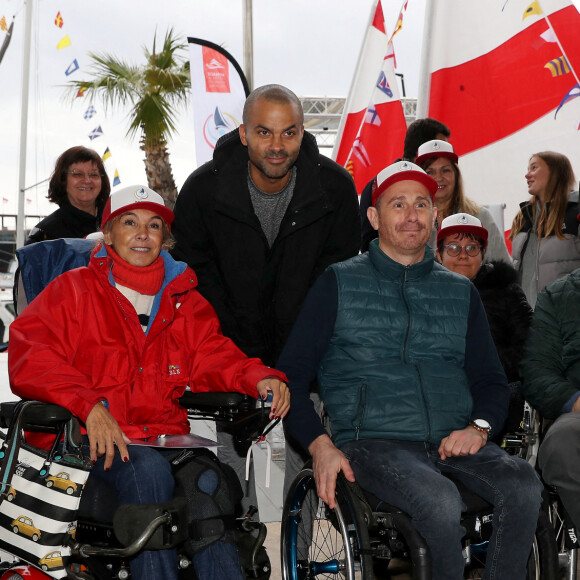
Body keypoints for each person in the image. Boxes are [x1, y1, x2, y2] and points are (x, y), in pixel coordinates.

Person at [277, 160, 543, 580]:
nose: (412, 214)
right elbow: (289, 375)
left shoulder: (460, 292)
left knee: (525, 483)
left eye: (421, 204)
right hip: (372, 443)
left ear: (435, 215)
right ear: (374, 217)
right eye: (397, 204)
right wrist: (319, 444)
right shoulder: (338, 283)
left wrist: (478, 427)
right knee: (438, 499)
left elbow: (491, 381)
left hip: (453, 439)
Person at [9, 185, 290, 580]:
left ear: (164, 237)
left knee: (211, 483)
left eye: (154, 225)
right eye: (130, 222)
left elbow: (214, 354)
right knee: (147, 473)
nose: (143, 233)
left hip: (163, 437)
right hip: (89, 443)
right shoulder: (72, 291)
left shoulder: (184, 299)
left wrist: (259, 376)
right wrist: (88, 405)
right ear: (108, 234)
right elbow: (31, 357)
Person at [171, 84, 360, 510]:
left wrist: (297, 360)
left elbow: (337, 281)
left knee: (308, 474)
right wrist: (241, 364)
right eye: (263, 132)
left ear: (303, 132)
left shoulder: (335, 188)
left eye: (289, 133)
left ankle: (304, 566)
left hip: (306, 356)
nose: (277, 146)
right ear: (243, 133)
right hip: (228, 357)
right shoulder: (202, 190)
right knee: (222, 479)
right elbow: (199, 284)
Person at [436, 213, 532, 385]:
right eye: (454, 248)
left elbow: (530, 350)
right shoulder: (423, 295)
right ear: (439, 255)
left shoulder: (507, 291)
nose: (463, 255)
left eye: (472, 248)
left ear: (483, 253)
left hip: (499, 391)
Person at [520, 270, 580, 532]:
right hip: (578, 412)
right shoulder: (558, 296)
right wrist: (575, 401)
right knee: (560, 444)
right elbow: (537, 371)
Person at [360, 117, 450, 252]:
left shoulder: (445, 186)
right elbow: (368, 243)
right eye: (398, 205)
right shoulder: (379, 186)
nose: (412, 217)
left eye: (420, 205)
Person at [416, 139, 511, 264]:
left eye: (446, 170)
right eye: (430, 172)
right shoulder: (412, 220)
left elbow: (504, 271)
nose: (438, 177)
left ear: (456, 175)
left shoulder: (481, 217)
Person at [510, 151, 580, 308]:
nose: (527, 175)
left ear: (556, 172)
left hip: (567, 319)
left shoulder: (576, 211)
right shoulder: (523, 217)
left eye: (534, 168)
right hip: (528, 321)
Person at [26, 146, 110, 244]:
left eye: (93, 175)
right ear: (63, 180)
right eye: (77, 174)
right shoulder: (45, 235)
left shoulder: (118, 222)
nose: (87, 180)